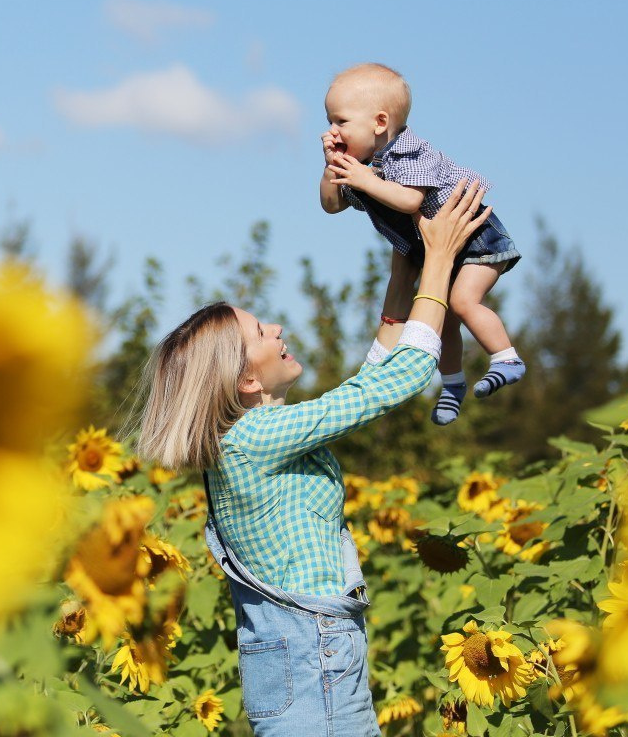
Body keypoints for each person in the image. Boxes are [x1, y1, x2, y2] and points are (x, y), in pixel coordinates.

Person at [134, 181, 489, 736]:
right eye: (259, 331)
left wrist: (405, 266)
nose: (277, 328)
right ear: (247, 378)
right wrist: (440, 262)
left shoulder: (248, 437)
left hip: (304, 657)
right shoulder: (256, 437)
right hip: (312, 657)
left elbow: (371, 379)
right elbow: (394, 384)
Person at [320, 62, 524, 425]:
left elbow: (410, 201)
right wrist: (331, 169)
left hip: (476, 239)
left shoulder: (411, 152)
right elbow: (331, 205)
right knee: (439, 319)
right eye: (329, 121)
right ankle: (452, 385)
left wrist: (365, 180)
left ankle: (506, 357)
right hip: (438, 249)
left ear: (380, 123)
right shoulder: (364, 165)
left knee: (462, 302)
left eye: (340, 121)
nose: (331, 131)